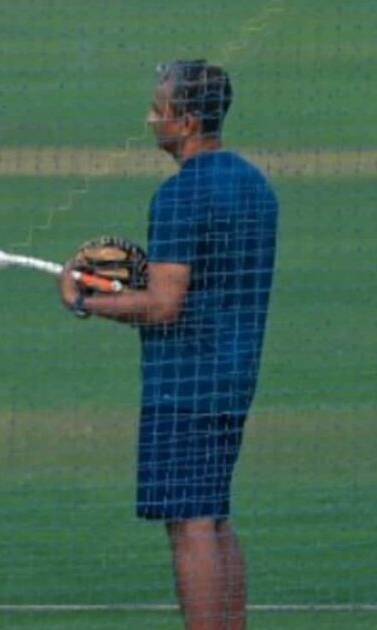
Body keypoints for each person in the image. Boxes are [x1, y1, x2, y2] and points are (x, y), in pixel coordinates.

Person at [58, 60, 278, 630]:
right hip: (235, 374)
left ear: (183, 120)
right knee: (215, 515)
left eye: (158, 109)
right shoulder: (255, 184)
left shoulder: (180, 195)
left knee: (190, 522)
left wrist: (85, 299)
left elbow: (162, 304)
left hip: (185, 381)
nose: (151, 118)